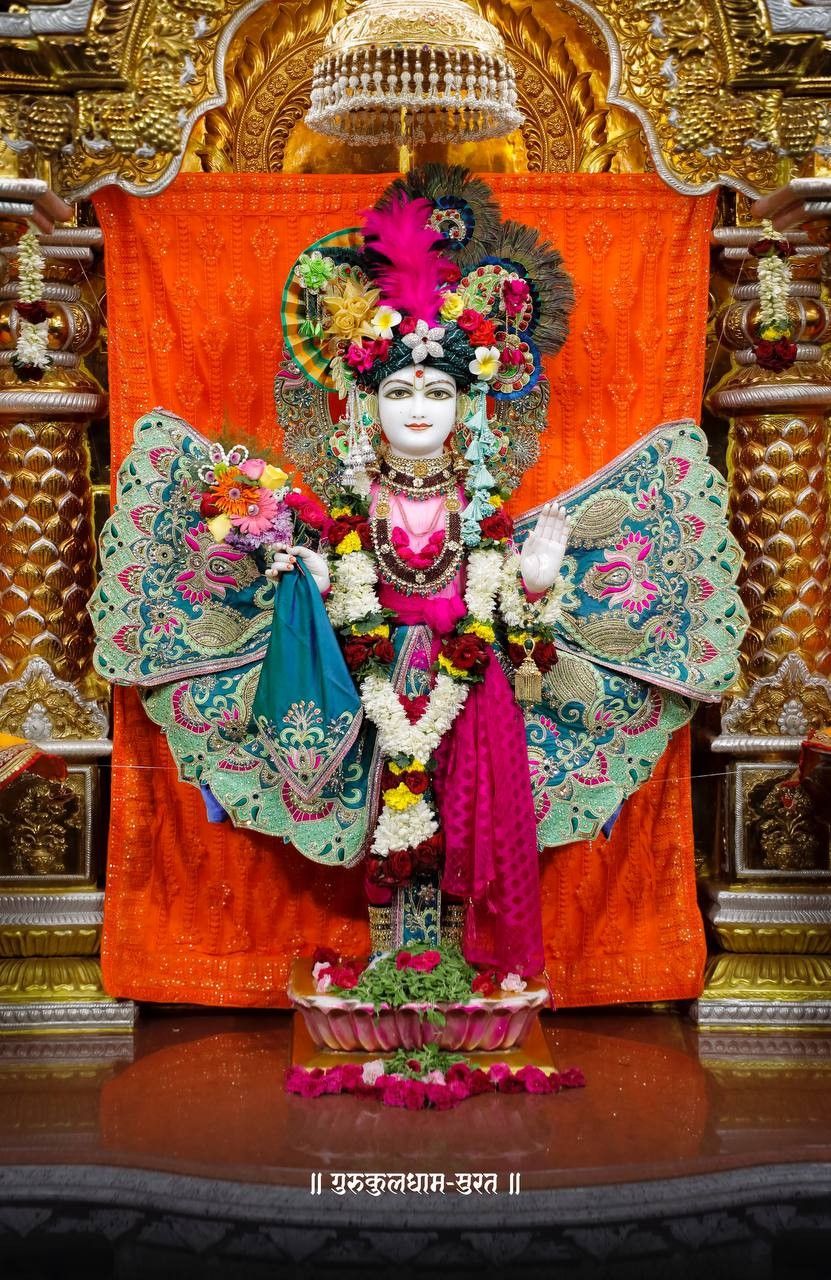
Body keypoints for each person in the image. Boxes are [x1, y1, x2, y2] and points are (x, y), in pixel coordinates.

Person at [90, 166, 747, 979]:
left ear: (466, 407)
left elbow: (511, 616)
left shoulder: (485, 510)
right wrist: (314, 582)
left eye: (437, 390)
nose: (417, 407)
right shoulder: (348, 510)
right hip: (371, 677)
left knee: (460, 821)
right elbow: (337, 592)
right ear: (366, 405)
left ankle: (448, 962)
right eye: (398, 389)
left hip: (470, 688)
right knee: (382, 820)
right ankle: (399, 963)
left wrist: (537, 579)